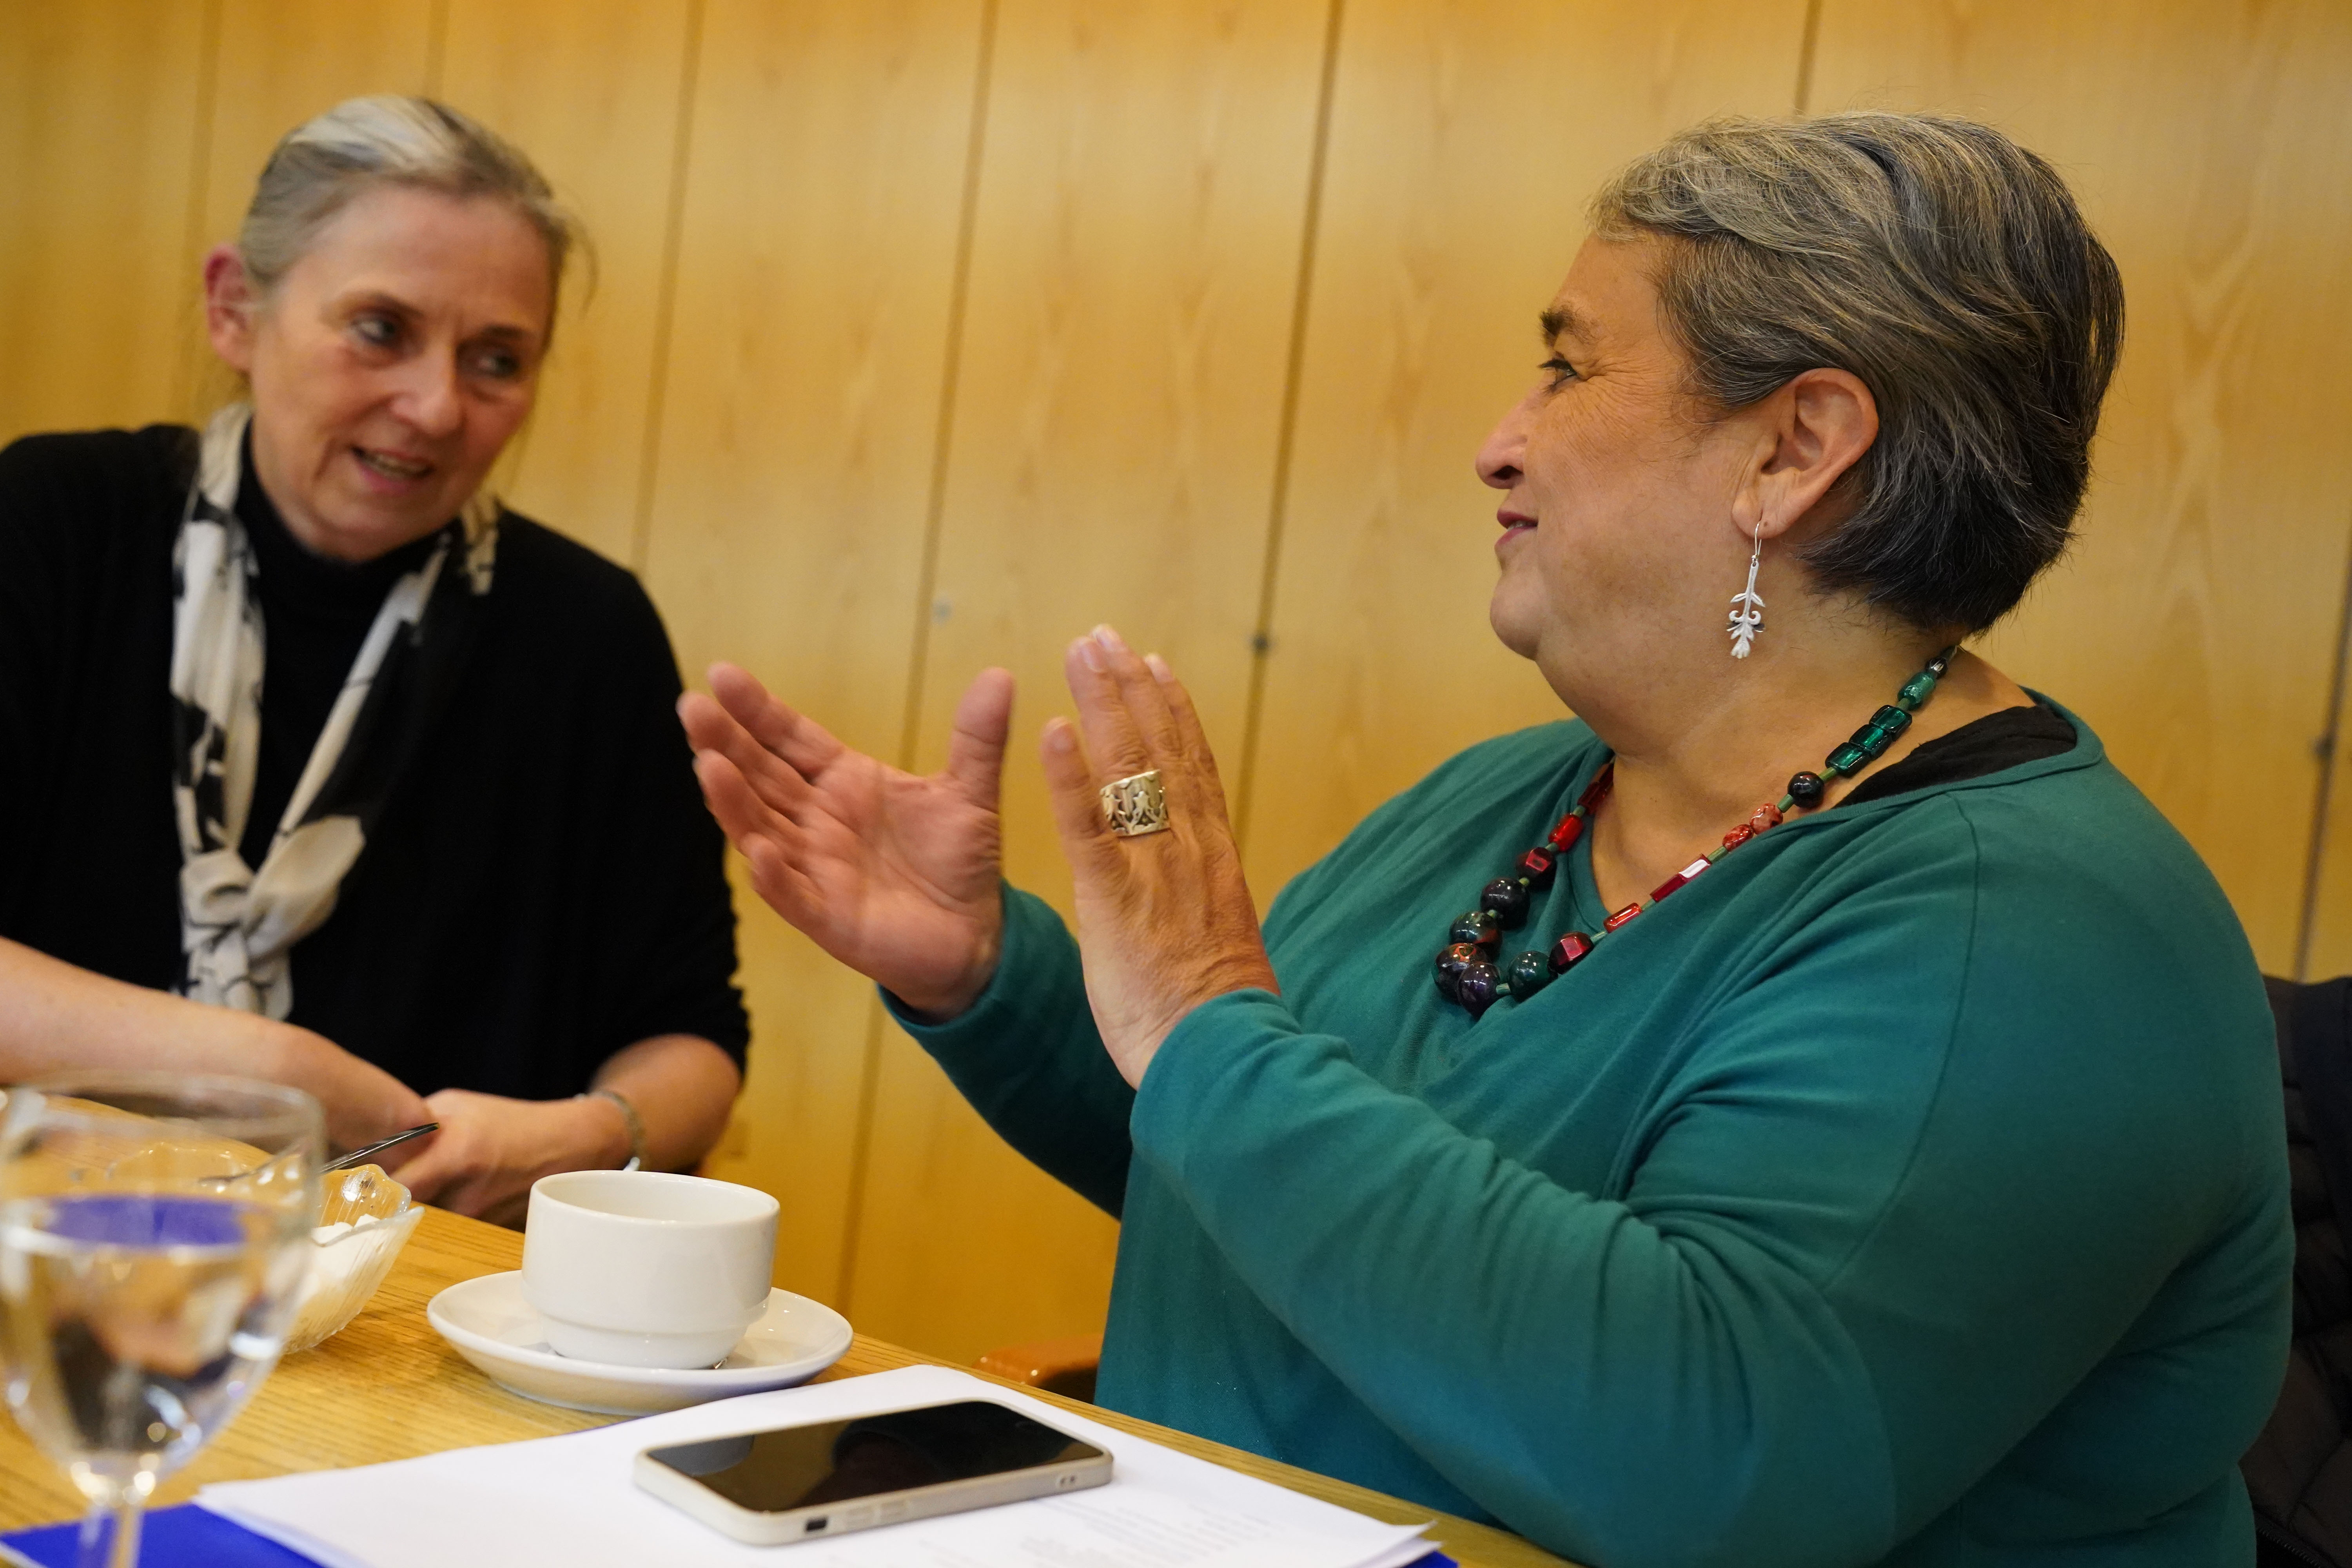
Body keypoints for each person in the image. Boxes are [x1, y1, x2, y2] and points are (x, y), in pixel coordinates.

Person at [683, 114, 2290, 1564]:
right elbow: (1267, 1175)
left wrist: (1202, 1014)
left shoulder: (2034, 937)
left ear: (1796, 450)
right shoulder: (1520, 794)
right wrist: (997, 977)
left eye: (1568, 371)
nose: (1499, 441)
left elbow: (1715, 1459)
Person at [0, 97, 746, 1221]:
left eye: (496, 360)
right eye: (381, 329)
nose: (436, 407)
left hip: (420, 1278)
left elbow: (693, 1036)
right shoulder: (54, 525)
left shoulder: (590, 633)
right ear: (235, 310)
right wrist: (277, 1073)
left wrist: (587, 1136)